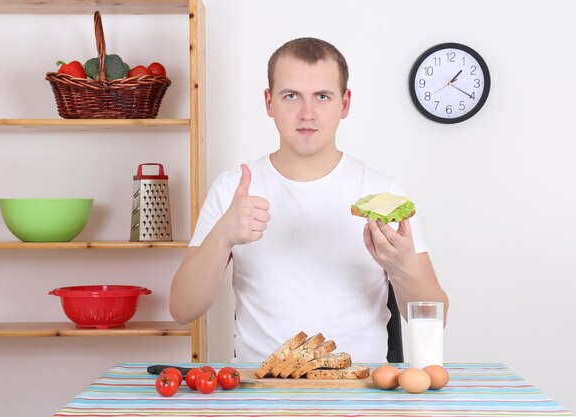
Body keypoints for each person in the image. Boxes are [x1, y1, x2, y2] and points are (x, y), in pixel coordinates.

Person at [170, 37, 448, 363]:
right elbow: (182, 309)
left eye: (322, 96)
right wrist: (223, 235)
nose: (307, 113)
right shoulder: (232, 189)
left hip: (362, 392)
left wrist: (402, 268)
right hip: (261, 393)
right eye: (291, 96)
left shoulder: (384, 194)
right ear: (269, 102)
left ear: (344, 104)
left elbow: (435, 319)